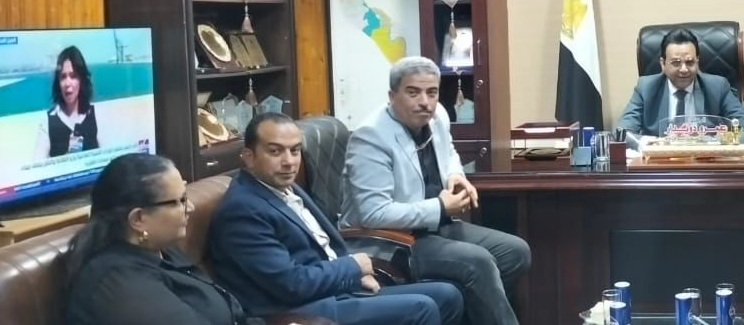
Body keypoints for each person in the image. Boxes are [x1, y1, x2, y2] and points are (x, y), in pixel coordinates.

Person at [207, 113, 465, 325]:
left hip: (334, 288)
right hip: (300, 309)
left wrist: (353, 275)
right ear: (249, 157)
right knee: (421, 308)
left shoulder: (283, 186)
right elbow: (291, 284)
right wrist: (352, 268)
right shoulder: (242, 211)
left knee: (448, 295)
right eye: (275, 151)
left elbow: (325, 245)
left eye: (295, 151)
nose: (289, 162)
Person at [342, 56, 531, 325]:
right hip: (389, 241)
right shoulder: (370, 137)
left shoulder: (437, 114)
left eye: (431, 92)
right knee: (477, 261)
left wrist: (455, 175)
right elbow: (373, 214)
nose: (425, 102)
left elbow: (449, 151)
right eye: (413, 92)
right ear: (392, 96)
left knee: (514, 251)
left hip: (433, 227)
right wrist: (440, 207)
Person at [63, 153, 296, 325]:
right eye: (180, 201)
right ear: (138, 219)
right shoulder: (117, 285)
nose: (190, 207)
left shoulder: (161, 248)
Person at [615, 28, 744, 150]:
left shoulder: (718, 87)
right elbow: (621, 134)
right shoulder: (646, 88)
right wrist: (652, 144)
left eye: (690, 62)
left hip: (706, 166)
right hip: (660, 167)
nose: (684, 69)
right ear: (663, 64)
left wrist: (710, 143)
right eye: (676, 62)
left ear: (698, 61)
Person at [42, 45, 99, 158]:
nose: (67, 83)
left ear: (81, 80)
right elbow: (37, 165)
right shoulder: (47, 121)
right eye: (63, 77)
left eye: (73, 76)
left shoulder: (96, 115)